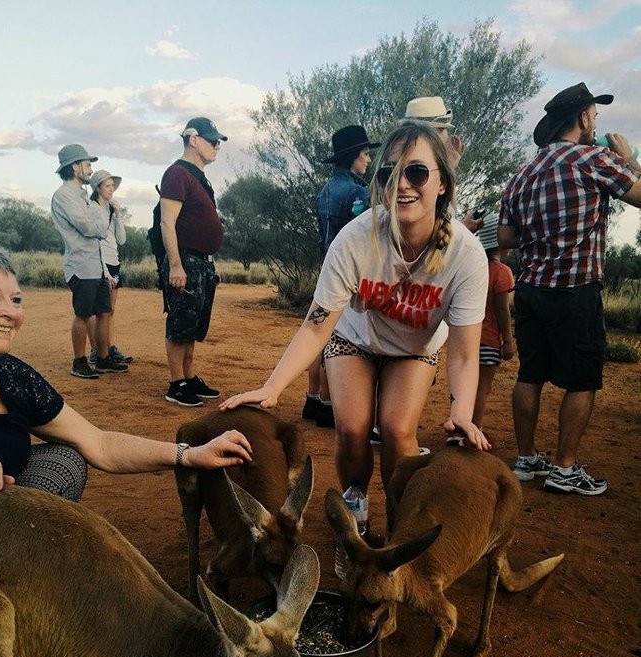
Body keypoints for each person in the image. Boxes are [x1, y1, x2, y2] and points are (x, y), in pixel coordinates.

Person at [221, 122, 490, 518]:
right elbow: (316, 325)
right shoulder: (355, 239)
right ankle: (356, 505)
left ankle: (402, 515)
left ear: (442, 184)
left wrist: (461, 413)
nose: (402, 184)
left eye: (416, 171)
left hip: (414, 349)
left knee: (398, 431)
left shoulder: (465, 256)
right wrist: (272, 387)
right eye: (388, 174)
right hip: (354, 339)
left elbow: (465, 355)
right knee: (352, 429)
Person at [0, 236, 252, 500]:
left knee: (64, 461)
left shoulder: (12, 377)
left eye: (16, 300)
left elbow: (100, 444)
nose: (11, 313)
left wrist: (189, 455)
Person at [499, 82, 641, 496]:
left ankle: (526, 459)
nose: (596, 123)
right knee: (582, 380)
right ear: (581, 118)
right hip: (575, 289)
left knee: (530, 374)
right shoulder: (595, 159)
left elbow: (506, 237)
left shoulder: (523, 174)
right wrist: (629, 160)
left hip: (530, 289)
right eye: (594, 115)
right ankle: (564, 468)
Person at [304, 125, 379, 428]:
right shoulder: (357, 192)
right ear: (352, 157)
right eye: (364, 154)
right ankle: (327, 403)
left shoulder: (325, 191)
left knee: (318, 332)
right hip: (349, 273)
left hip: (326, 267)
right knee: (339, 334)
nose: (368, 160)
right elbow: (364, 235)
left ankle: (312, 399)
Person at [160, 116, 226, 408]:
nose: (217, 146)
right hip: (185, 262)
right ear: (193, 139)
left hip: (201, 263)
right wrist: (176, 265)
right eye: (212, 141)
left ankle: (189, 376)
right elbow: (167, 222)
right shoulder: (177, 174)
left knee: (193, 324)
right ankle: (177, 384)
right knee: (180, 323)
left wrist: (211, 262)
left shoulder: (198, 176)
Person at [51, 144, 128, 379]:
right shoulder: (63, 195)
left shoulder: (83, 196)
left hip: (96, 264)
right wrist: (101, 229)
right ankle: (79, 361)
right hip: (80, 265)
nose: (89, 168)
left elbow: (94, 227)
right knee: (83, 314)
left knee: (104, 312)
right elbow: (86, 226)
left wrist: (105, 268)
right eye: (87, 164)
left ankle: (103, 359)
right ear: (74, 167)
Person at [399, 96, 483, 234]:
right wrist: (463, 230)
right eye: (444, 129)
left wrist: (449, 168)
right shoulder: (420, 175)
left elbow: (448, 214)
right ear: (432, 133)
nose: (447, 135)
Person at [470, 212, 515, 437]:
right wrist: (507, 340)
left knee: (464, 386)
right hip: (488, 339)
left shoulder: (473, 267)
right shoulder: (502, 272)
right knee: (482, 388)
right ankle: (474, 430)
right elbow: (501, 309)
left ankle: (458, 429)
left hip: (467, 339)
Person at [89, 169, 132, 367]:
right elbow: (94, 241)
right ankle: (97, 351)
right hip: (101, 262)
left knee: (110, 311)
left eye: (112, 186)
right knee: (99, 311)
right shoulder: (92, 208)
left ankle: (109, 347)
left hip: (114, 261)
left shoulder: (110, 211)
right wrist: (103, 271)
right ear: (98, 188)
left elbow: (121, 240)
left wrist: (118, 215)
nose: (112, 189)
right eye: (108, 186)